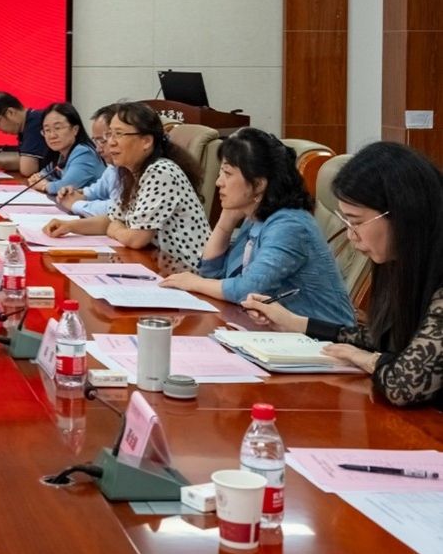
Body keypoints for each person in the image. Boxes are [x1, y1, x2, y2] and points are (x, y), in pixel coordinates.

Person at [244, 142, 443, 407]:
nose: (351, 235)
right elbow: (384, 336)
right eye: (346, 222)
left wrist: (367, 360)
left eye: (356, 222)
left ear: (402, 214)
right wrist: (294, 323)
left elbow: (405, 385)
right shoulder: (404, 260)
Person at [159, 128, 354, 325]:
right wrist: (225, 223)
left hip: (320, 338)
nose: (218, 182)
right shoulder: (258, 215)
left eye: (227, 173)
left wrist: (196, 283)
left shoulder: (290, 226)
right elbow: (213, 274)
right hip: (273, 330)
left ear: (259, 184)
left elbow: (246, 289)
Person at [43, 102, 210, 271]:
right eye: (109, 134)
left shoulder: (160, 172)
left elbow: (137, 239)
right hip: (155, 263)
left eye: (119, 134)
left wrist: (116, 230)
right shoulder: (130, 172)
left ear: (146, 141)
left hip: (186, 271)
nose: (111, 142)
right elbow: (111, 220)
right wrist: (69, 226)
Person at [56, 103, 120, 217]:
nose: (98, 149)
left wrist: (75, 204)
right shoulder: (113, 168)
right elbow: (96, 190)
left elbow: (118, 209)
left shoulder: (146, 171)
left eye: (103, 140)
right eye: (96, 141)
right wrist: (77, 193)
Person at [28, 102, 105, 195]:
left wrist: (44, 186)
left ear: (75, 130)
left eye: (57, 128)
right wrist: (37, 179)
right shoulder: (61, 153)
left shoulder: (84, 153)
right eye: (47, 130)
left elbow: (65, 186)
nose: (52, 135)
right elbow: (44, 174)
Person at [0, 91, 46, 177]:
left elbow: (28, 169)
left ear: (10, 112)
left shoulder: (35, 124)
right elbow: (25, 161)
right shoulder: (27, 123)